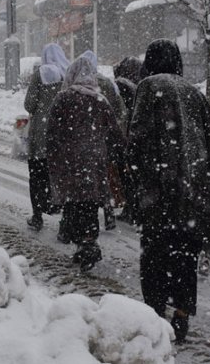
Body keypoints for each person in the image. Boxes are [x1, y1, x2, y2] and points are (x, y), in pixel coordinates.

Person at [126, 39, 210, 343]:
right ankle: (182, 315)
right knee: (184, 255)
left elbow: (138, 139)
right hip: (193, 192)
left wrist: (138, 184)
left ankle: (156, 315)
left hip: (160, 193)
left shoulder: (148, 87)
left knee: (155, 255)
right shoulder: (193, 92)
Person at [46, 56, 125, 271]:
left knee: (73, 203)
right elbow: (116, 135)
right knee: (89, 204)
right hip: (94, 164)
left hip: (69, 164)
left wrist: (54, 159)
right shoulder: (101, 101)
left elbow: (52, 134)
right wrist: (109, 153)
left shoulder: (63, 98)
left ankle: (80, 240)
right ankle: (89, 240)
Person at [24, 44, 69, 231]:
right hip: (60, 136)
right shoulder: (67, 74)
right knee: (61, 177)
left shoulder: (40, 74)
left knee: (36, 177)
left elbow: (29, 104)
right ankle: (64, 218)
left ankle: (37, 216)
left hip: (40, 135)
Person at [81, 50, 127, 230]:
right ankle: (108, 212)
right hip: (105, 138)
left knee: (86, 178)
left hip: (86, 139)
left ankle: (87, 217)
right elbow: (120, 111)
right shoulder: (107, 83)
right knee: (104, 175)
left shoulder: (78, 85)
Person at [113, 56, 143, 225]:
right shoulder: (140, 87)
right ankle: (135, 208)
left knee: (126, 174)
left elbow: (119, 111)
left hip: (125, 134)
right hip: (136, 134)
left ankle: (131, 209)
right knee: (134, 175)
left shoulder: (122, 86)